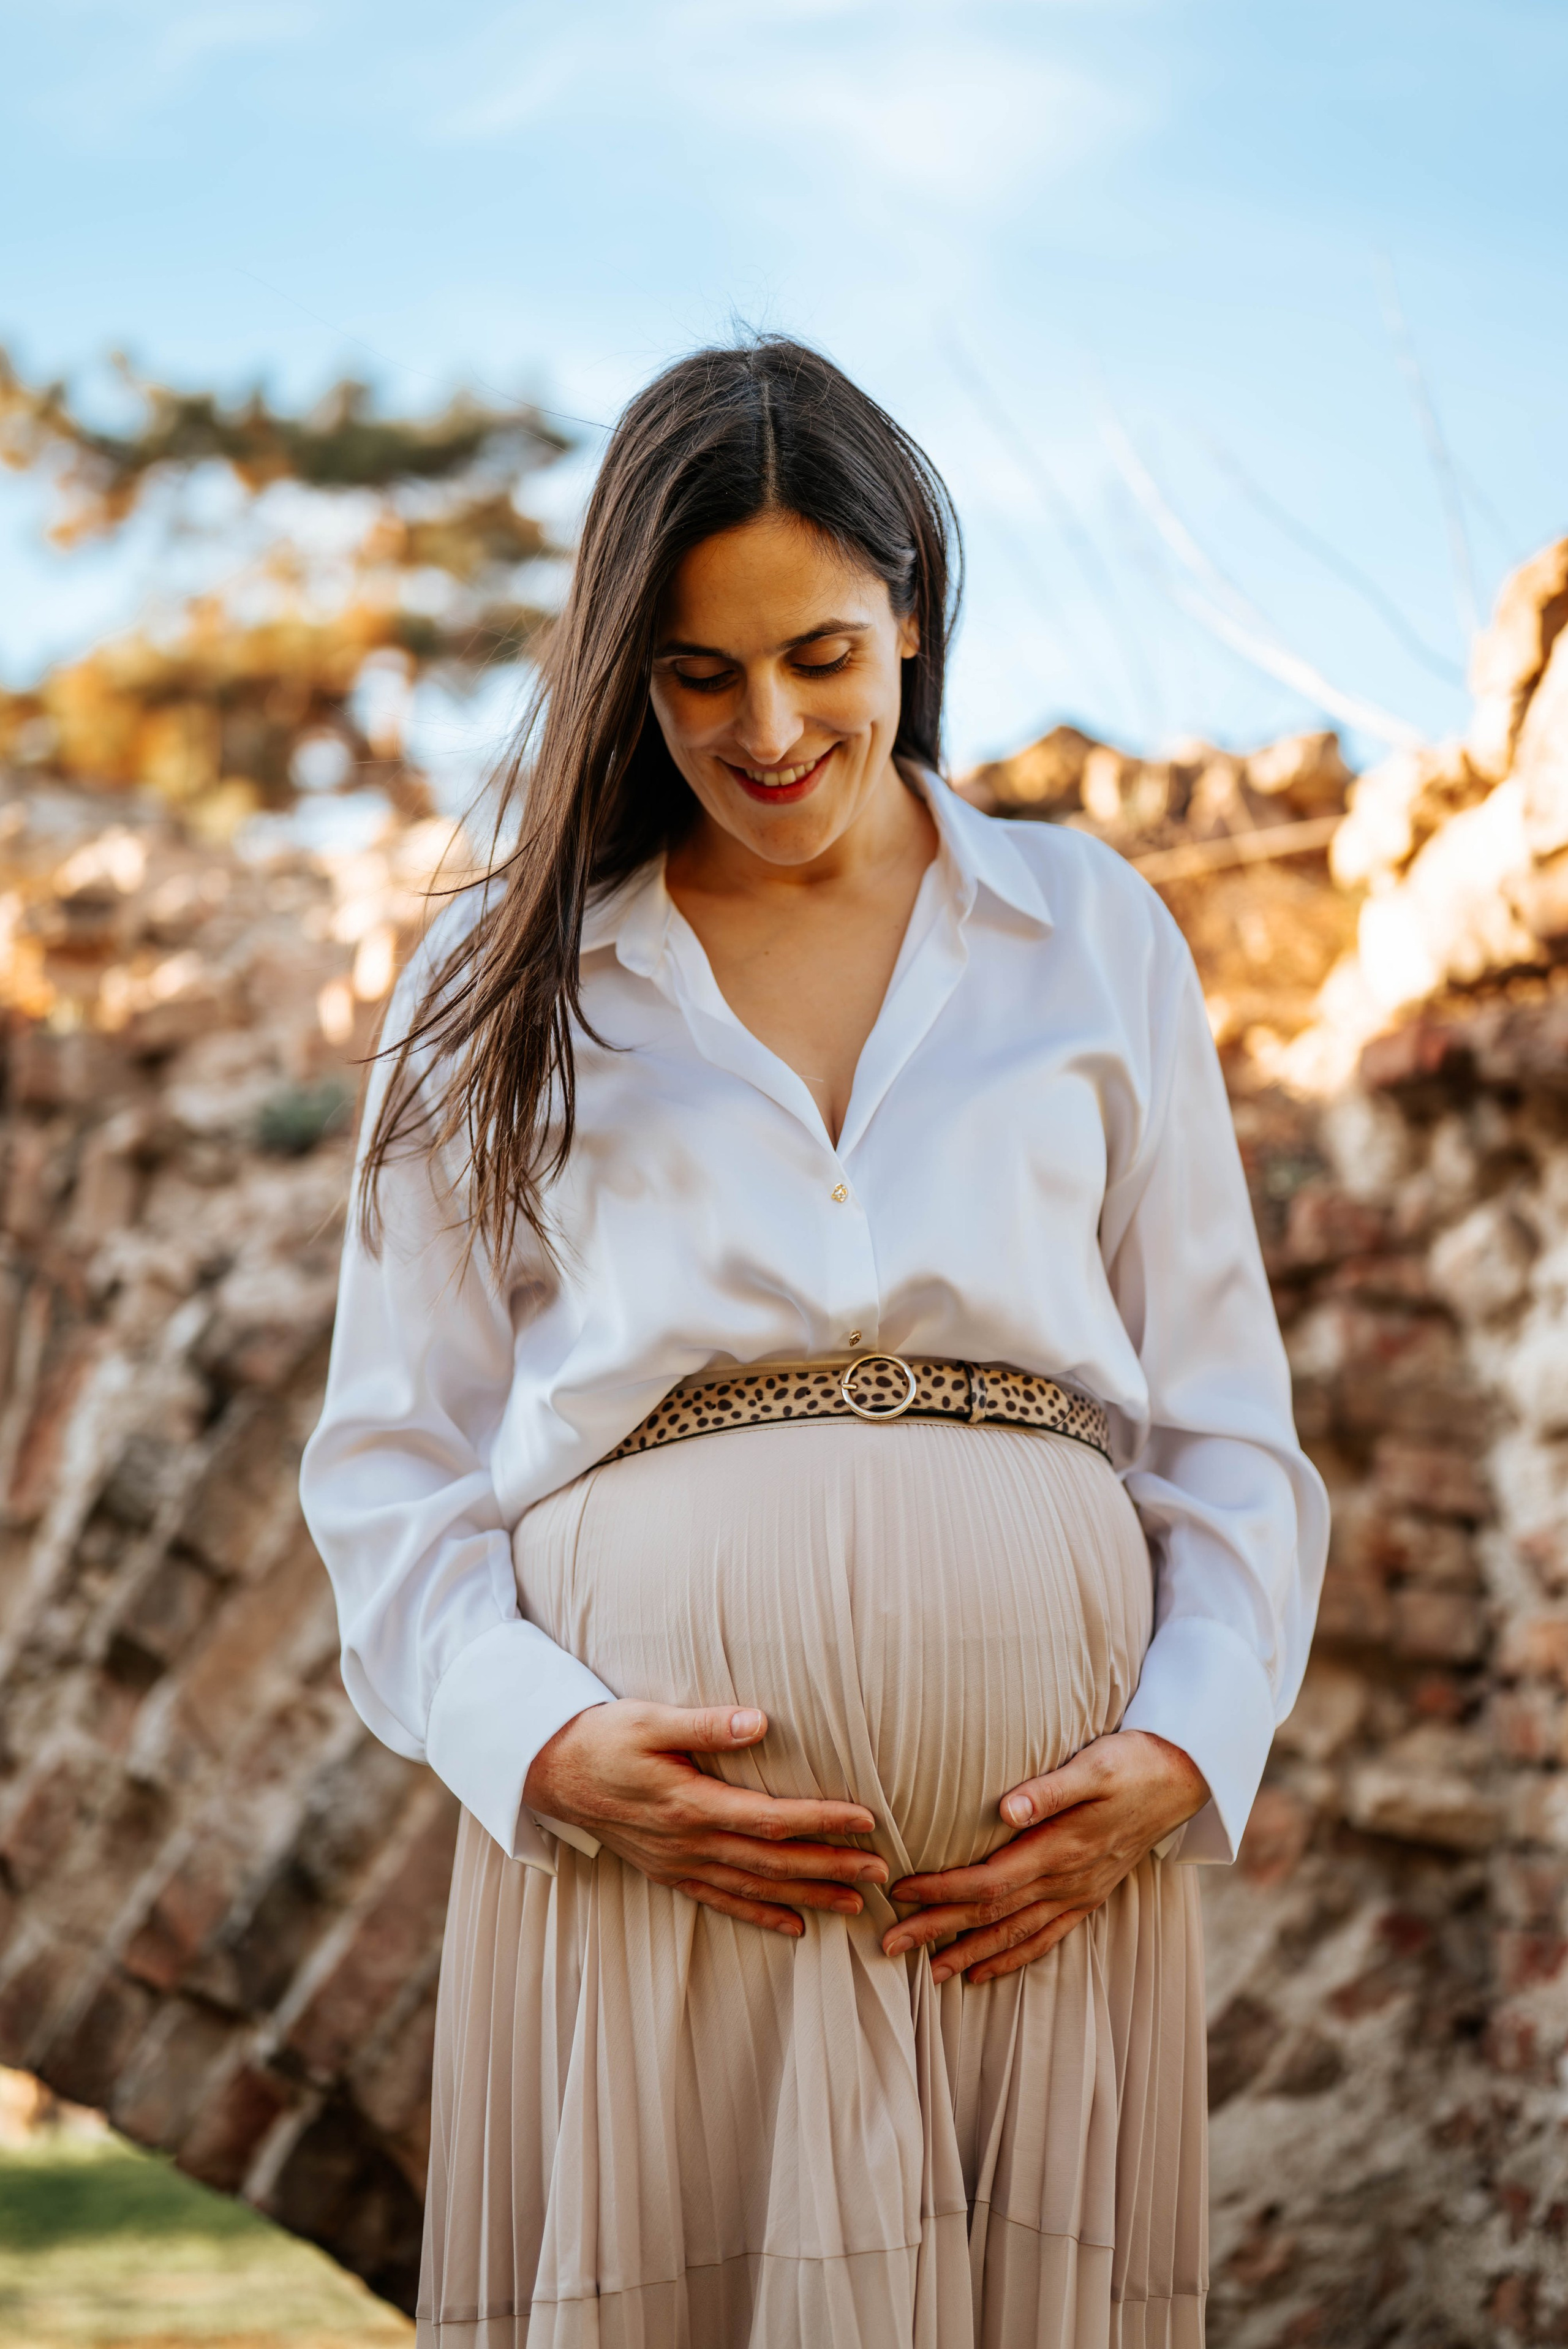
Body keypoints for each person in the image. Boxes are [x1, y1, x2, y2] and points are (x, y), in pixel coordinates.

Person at [301, 336, 1327, 2349]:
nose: (769, 729)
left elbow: (1229, 1426)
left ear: (912, 614)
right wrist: (547, 1742)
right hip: (657, 1890)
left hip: (1036, 1906)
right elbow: (388, 1463)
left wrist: (1185, 1747)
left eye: (823, 658)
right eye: (700, 675)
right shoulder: (499, 978)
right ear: (627, 670)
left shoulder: (1094, 930)